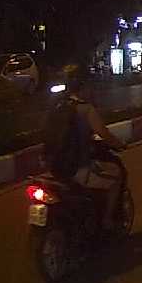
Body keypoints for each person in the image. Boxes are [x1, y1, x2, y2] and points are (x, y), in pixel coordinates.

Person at [45, 65, 126, 230]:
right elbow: (104, 134)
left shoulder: (58, 106)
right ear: (84, 88)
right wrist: (120, 144)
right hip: (78, 169)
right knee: (117, 175)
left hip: (54, 167)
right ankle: (107, 220)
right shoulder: (86, 109)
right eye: (90, 87)